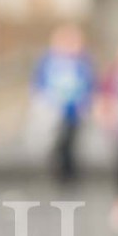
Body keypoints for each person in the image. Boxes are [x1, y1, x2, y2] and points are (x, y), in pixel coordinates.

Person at [30, 23, 95, 184]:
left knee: (72, 140)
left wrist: (86, 102)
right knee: (56, 140)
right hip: (54, 108)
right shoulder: (48, 60)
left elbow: (90, 82)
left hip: (75, 109)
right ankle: (57, 170)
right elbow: (39, 82)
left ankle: (70, 172)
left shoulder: (83, 60)